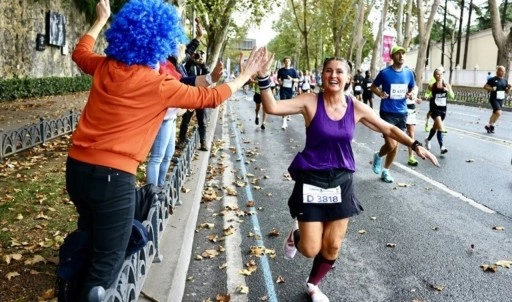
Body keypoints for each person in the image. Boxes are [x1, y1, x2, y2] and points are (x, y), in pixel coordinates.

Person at [66, 0, 268, 299]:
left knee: (92, 235)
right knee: (106, 267)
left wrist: (101, 19)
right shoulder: (158, 84)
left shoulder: (105, 67)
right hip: (113, 180)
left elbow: (80, 52)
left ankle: (71, 283)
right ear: (158, 40)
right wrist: (244, 75)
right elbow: (210, 98)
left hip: (76, 171)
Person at [256, 54, 438, 302]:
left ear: (348, 78)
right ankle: (295, 235)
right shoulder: (310, 102)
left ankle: (313, 284)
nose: (333, 75)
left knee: (332, 246)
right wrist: (264, 78)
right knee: (310, 249)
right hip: (312, 180)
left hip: (341, 181)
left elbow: (389, 128)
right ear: (322, 75)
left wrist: (415, 145)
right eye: (328, 70)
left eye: (339, 71)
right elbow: (272, 107)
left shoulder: (356, 107)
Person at [370, 45, 416, 183]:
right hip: (387, 113)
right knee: (391, 145)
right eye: (398, 53)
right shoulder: (385, 73)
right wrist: (380, 93)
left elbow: (412, 87)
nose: (401, 56)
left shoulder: (409, 73)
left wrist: (411, 94)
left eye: (403, 53)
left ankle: (386, 171)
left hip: (402, 113)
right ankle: (378, 156)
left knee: (396, 145)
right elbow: (373, 87)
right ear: (392, 56)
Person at [178, 50, 211, 151]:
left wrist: (203, 64)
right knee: (186, 119)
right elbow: (184, 73)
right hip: (190, 96)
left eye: (201, 56)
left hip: (201, 97)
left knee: (202, 121)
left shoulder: (205, 67)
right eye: (198, 55)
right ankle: (181, 140)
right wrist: (192, 60)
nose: (199, 57)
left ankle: (203, 142)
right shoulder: (189, 65)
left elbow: (208, 78)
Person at [424, 68, 454, 154]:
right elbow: (427, 92)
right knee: (440, 125)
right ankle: (442, 147)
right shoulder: (432, 86)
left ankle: (428, 139)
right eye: (438, 74)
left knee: (435, 127)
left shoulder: (446, 85)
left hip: (443, 109)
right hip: (434, 108)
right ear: (434, 76)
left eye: (441, 74)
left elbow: (452, 96)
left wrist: (448, 91)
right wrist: (426, 95)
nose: (440, 76)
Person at [483, 65, 511, 134]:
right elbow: (485, 87)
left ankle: (489, 126)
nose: (503, 72)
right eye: (502, 71)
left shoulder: (505, 81)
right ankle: (492, 125)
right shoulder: (492, 79)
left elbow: (507, 92)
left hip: (501, 99)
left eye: (504, 71)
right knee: (499, 112)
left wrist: (509, 88)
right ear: (498, 71)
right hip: (493, 98)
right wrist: (492, 89)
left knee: (495, 113)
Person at [277, 56, 299, 129]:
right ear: (284, 62)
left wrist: (292, 79)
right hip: (283, 90)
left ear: (290, 62)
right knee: (284, 105)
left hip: (290, 90)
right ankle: (284, 122)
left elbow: (297, 80)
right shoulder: (281, 70)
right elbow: (278, 79)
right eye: (286, 61)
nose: (287, 62)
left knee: (288, 105)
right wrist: (279, 81)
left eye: (288, 61)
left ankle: (288, 114)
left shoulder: (293, 71)